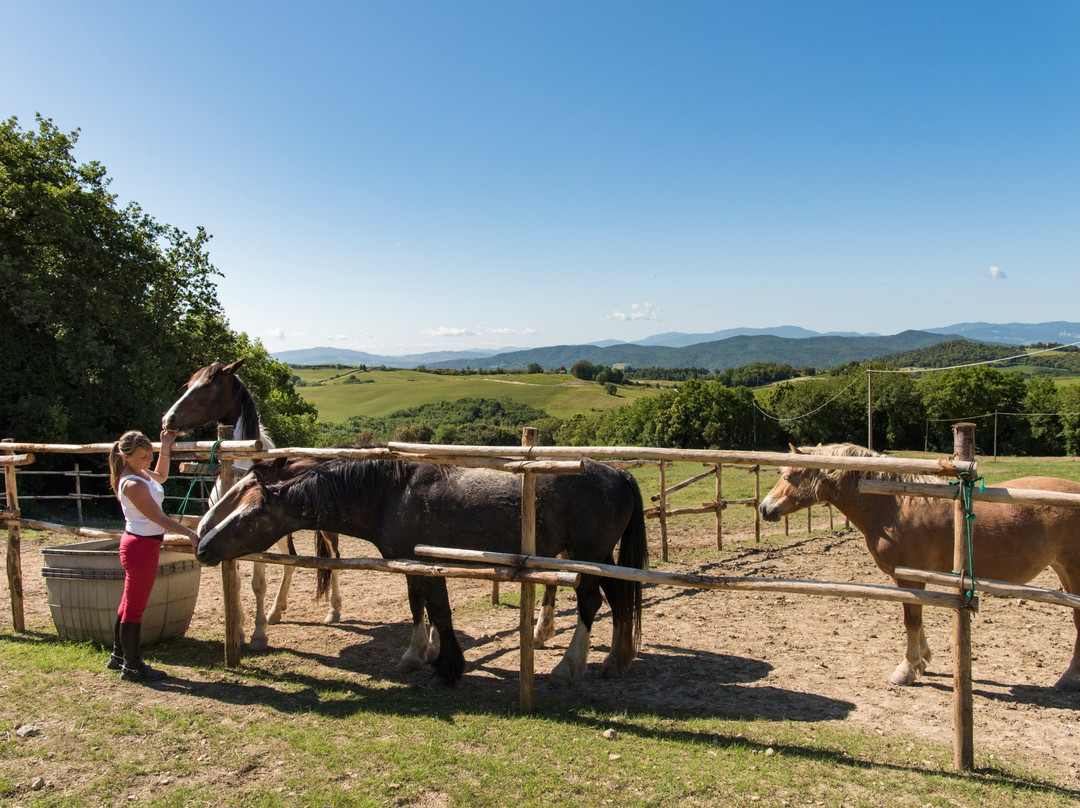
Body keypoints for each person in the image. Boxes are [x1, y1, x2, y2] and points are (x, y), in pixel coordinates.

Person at [107, 429, 200, 682]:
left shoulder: (140, 473)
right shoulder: (132, 483)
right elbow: (158, 518)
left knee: (128, 603)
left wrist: (165, 446)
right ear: (125, 457)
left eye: (149, 456)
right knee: (134, 609)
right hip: (140, 548)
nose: (148, 461)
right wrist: (190, 534)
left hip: (143, 545)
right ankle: (133, 667)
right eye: (142, 457)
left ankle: (118, 656)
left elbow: (161, 476)